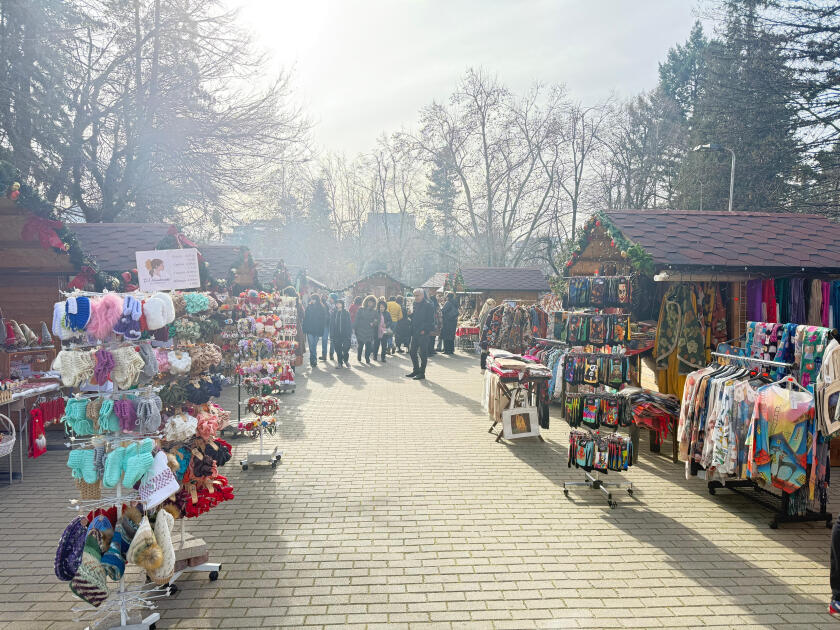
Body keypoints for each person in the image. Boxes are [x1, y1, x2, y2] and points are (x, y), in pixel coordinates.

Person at [406, 288, 435, 380]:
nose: (415, 297)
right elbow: (413, 317)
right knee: (412, 352)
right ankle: (416, 370)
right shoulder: (414, 304)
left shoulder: (428, 305)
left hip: (423, 333)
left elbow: (431, 321)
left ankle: (422, 373)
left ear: (422, 295)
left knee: (423, 353)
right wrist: (409, 314)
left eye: (417, 295)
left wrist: (425, 330)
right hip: (414, 332)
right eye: (414, 295)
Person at [283, 286, 306, 369]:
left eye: (285, 294)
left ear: (288, 294)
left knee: (289, 345)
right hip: (296, 327)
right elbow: (303, 315)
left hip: (289, 327)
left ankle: (289, 367)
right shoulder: (298, 303)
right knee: (294, 346)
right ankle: (292, 367)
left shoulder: (286, 303)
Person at [302, 294, 326, 368]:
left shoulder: (321, 308)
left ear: (316, 299)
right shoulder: (308, 307)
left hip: (317, 330)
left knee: (314, 345)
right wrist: (304, 329)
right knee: (311, 345)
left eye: (313, 299)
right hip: (309, 329)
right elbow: (305, 319)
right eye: (311, 299)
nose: (311, 300)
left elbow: (323, 320)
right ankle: (313, 360)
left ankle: (313, 359)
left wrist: (321, 330)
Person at [353, 295, 378, 364]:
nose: (370, 304)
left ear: (374, 303)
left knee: (368, 345)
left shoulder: (375, 311)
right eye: (369, 302)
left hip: (370, 330)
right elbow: (357, 319)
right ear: (366, 302)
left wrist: (374, 323)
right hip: (360, 329)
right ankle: (359, 355)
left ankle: (367, 358)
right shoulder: (361, 309)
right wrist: (354, 328)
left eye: (372, 302)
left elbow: (377, 320)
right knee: (360, 345)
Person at [330, 299, 352, 368]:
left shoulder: (346, 313)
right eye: (337, 303)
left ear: (342, 304)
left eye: (339, 303)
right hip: (336, 334)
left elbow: (349, 324)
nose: (338, 305)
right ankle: (340, 362)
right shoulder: (334, 313)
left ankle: (346, 360)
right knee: (338, 349)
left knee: (346, 348)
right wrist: (331, 334)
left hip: (345, 334)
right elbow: (331, 324)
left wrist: (349, 333)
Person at [325, 293, 338, 361]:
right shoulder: (325, 304)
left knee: (332, 340)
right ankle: (324, 354)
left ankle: (331, 354)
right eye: (329, 298)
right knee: (324, 340)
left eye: (331, 298)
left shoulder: (337, 306)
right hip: (326, 324)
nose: (330, 299)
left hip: (333, 325)